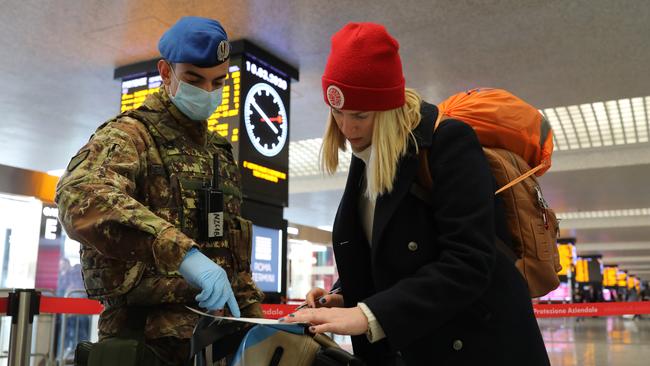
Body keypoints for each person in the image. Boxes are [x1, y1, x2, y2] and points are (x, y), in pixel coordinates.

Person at [282, 22, 550, 365]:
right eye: (337, 112)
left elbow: (469, 261)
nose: (347, 128)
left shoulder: (447, 143)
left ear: (388, 107)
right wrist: (345, 294)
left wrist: (368, 314)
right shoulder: (368, 152)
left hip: (479, 347)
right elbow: (389, 252)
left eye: (361, 115)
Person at [56, 16, 263, 364]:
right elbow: (78, 197)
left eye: (218, 82)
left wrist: (257, 321)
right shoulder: (131, 135)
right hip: (143, 343)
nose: (208, 92)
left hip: (214, 345)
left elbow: (231, 256)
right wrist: (183, 254)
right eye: (194, 80)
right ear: (166, 73)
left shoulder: (218, 152)